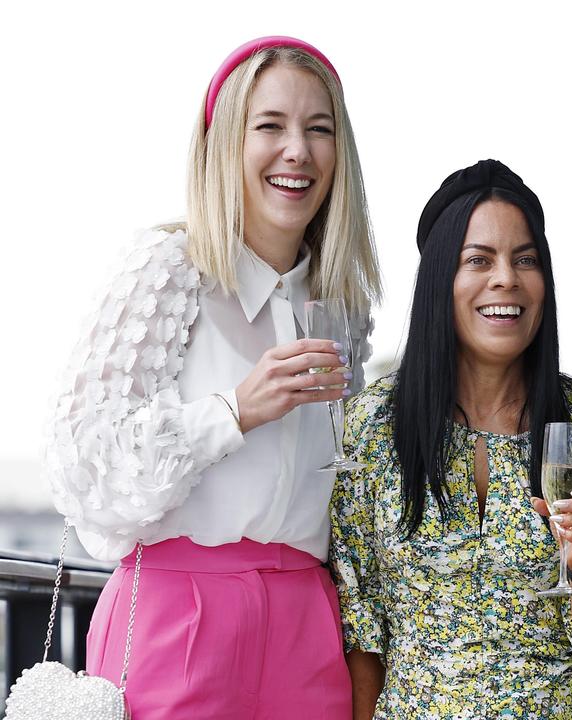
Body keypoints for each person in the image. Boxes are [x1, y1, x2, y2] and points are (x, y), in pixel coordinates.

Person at [44, 36, 381, 718]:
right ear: (225, 141)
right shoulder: (167, 269)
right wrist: (232, 411)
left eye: (320, 130)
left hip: (308, 627)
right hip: (180, 617)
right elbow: (83, 467)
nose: (298, 150)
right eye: (271, 126)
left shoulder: (342, 306)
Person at [330, 159, 572, 720]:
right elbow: (361, 632)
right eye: (478, 260)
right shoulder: (374, 424)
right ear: (442, 280)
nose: (506, 278)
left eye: (525, 260)